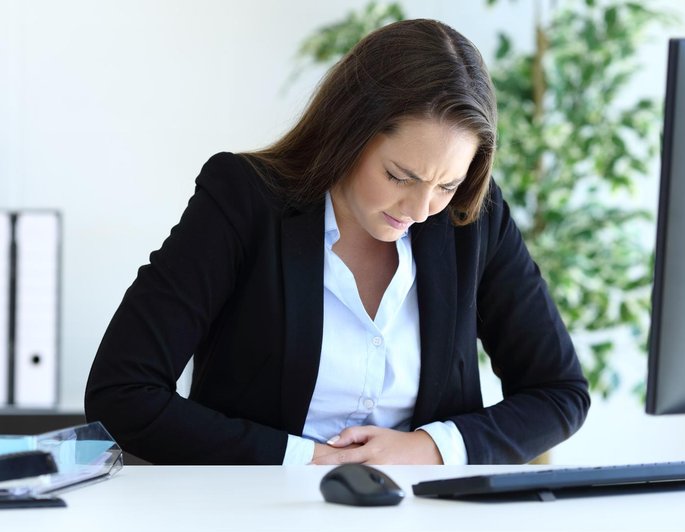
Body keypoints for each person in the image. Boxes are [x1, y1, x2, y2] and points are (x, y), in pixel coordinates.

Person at [84, 18, 590, 465]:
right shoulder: (242, 199)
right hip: (254, 513)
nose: (420, 210)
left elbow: (560, 392)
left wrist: (431, 448)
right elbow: (121, 392)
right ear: (348, 132)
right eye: (399, 176)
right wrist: (305, 459)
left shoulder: (472, 218)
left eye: (447, 184)